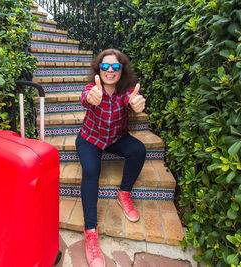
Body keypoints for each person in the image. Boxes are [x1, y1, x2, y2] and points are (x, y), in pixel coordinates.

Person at [75, 48, 146, 267]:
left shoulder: (125, 92)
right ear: (99, 69)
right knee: (91, 171)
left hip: (115, 139)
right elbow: (85, 98)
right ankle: (91, 234)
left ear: (121, 70)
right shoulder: (92, 89)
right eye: (105, 66)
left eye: (115, 66)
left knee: (139, 150)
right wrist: (90, 97)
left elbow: (131, 101)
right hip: (90, 139)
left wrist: (137, 106)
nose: (110, 70)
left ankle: (123, 194)